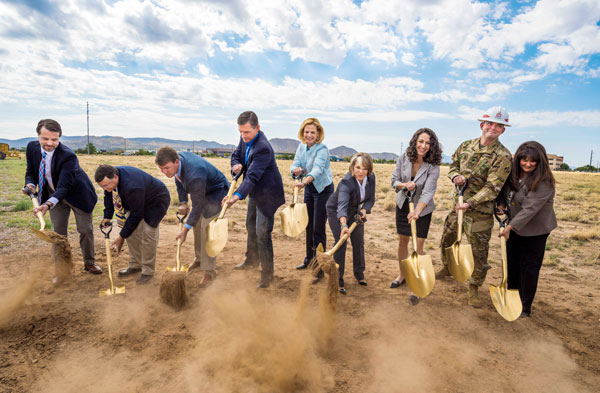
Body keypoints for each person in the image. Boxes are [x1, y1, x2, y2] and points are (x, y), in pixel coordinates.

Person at [437, 106, 512, 308]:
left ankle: (473, 287)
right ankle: (447, 267)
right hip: (457, 207)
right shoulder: (465, 146)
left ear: (503, 130)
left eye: (499, 126)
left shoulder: (503, 156)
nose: (493, 128)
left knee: (479, 252)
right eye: (490, 123)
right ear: (482, 125)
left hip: (479, 213)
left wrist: (469, 203)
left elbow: (492, 187)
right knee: (447, 239)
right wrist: (455, 176)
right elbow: (452, 166)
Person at [23, 119, 102, 282]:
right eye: (45, 139)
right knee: (58, 234)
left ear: (59, 138)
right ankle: (62, 271)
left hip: (77, 195)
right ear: (38, 136)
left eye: (55, 139)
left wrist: (47, 204)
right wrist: (30, 184)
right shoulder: (31, 148)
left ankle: (89, 263)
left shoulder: (68, 156)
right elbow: (30, 171)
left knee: (85, 230)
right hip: (53, 194)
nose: (50, 143)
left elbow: (64, 187)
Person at [224, 111, 285, 289]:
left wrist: (235, 197)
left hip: (268, 195)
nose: (243, 136)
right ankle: (251, 260)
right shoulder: (245, 139)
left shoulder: (263, 148)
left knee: (262, 234)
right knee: (250, 226)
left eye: (247, 132)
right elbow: (236, 155)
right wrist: (235, 165)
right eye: (240, 132)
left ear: (257, 128)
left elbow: (251, 177)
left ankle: (267, 275)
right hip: (254, 192)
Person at [496, 141, 557, 318]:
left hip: (535, 231)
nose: (528, 164)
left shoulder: (544, 182)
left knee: (528, 267)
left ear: (540, 162)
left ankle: (524, 306)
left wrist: (510, 226)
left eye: (533, 161)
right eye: (524, 160)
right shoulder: (513, 174)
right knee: (512, 263)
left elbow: (530, 209)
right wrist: (500, 205)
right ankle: (511, 296)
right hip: (513, 227)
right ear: (519, 159)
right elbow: (503, 192)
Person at [155, 146, 230, 287]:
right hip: (202, 191)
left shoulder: (194, 173)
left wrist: (184, 230)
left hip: (217, 193)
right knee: (197, 226)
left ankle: (209, 272)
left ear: (176, 162)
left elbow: (197, 206)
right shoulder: (177, 165)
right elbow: (178, 181)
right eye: (161, 169)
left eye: (167, 168)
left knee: (207, 230)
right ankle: (199, 259)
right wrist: (183, 202)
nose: (165, 173)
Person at [390, 128, 442, 305]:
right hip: (403, 205)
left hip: (423, 210)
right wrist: (405, 184)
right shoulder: (404, 157)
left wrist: (417, 212)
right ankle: (402, 275)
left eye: (427, 143)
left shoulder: (433, 166)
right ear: (415, 141)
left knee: (418, 243)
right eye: (421, 141)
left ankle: (417, 282)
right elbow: (394, 182)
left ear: (432, 146)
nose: (423, 146)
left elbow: (428, 192)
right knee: (403, 241)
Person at [95, 164, 170, 285]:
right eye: (102, 186)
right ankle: (135, 265)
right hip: (137, 201)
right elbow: (108, 195)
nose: (104, 188)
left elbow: (136, 214)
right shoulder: (111, 177)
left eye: (106, 185)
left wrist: (121, 236)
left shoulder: (132, 186)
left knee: (147, 233)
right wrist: (107, 216)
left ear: (115, 177)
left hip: (156, 202)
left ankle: (147, 271)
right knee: (131, 234)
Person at [290, 118, 334, 284]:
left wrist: (304, 181)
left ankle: (319, 267)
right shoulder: (301, 148)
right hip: (309, 189)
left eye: (312, 132)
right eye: (306, 132)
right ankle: (309, 259)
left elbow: (317, 169)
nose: (309, 135)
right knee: (308, 224)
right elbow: (295, 164)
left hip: (323, 190)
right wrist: (295, 171)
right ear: (303, 132)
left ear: (318, 134)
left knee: (318, 228)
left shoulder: (322, 149)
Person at [326, 152, 376, 295]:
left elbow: (370, 199)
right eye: (358, 167)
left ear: (369, 169)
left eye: (364, 168)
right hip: (336, 211)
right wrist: (343, 225)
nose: (361, 171)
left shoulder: (371, 178)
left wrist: (365, 210)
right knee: (341, 243)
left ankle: (359, 273)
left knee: (358, 241)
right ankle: (338, 279)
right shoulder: (346, 182)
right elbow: (341, 206)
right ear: (352, 167)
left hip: (356, 211)